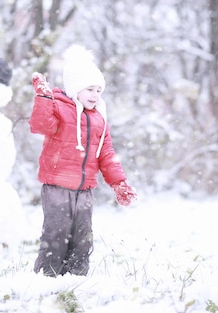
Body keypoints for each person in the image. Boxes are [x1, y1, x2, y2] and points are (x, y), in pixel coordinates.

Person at [28, 44, 137, 277]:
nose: (95, 95)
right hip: (57, 186)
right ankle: (47, 277)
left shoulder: (99, 119)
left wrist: (119, 183)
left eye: (99, 90)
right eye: (89, 89)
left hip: (85, 190)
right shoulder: (59, 108)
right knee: (56, 233)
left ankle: (77, 276)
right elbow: (39, 125)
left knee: (83, 236)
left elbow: (106, 154)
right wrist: (44, 97)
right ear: (75, 88)